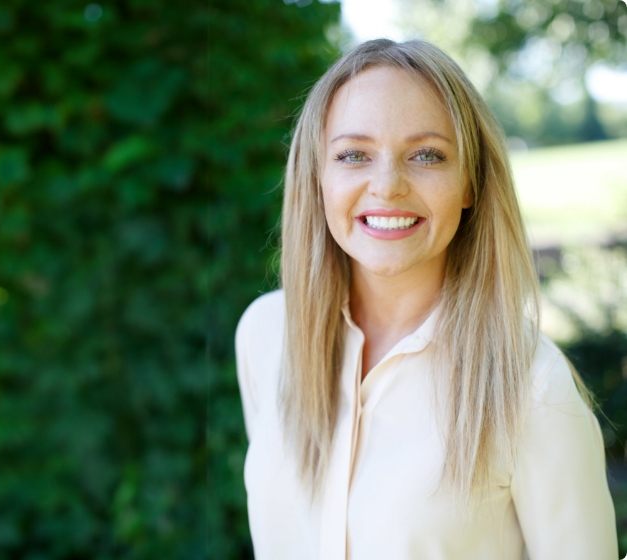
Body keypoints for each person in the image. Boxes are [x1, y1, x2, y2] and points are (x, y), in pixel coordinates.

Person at [235, 39, 618, 559]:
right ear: (317, 176)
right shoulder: (265, 335)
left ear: (470, 183)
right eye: (353, 155)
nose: (387, 185)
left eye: (426, 155)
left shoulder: (531, 387)